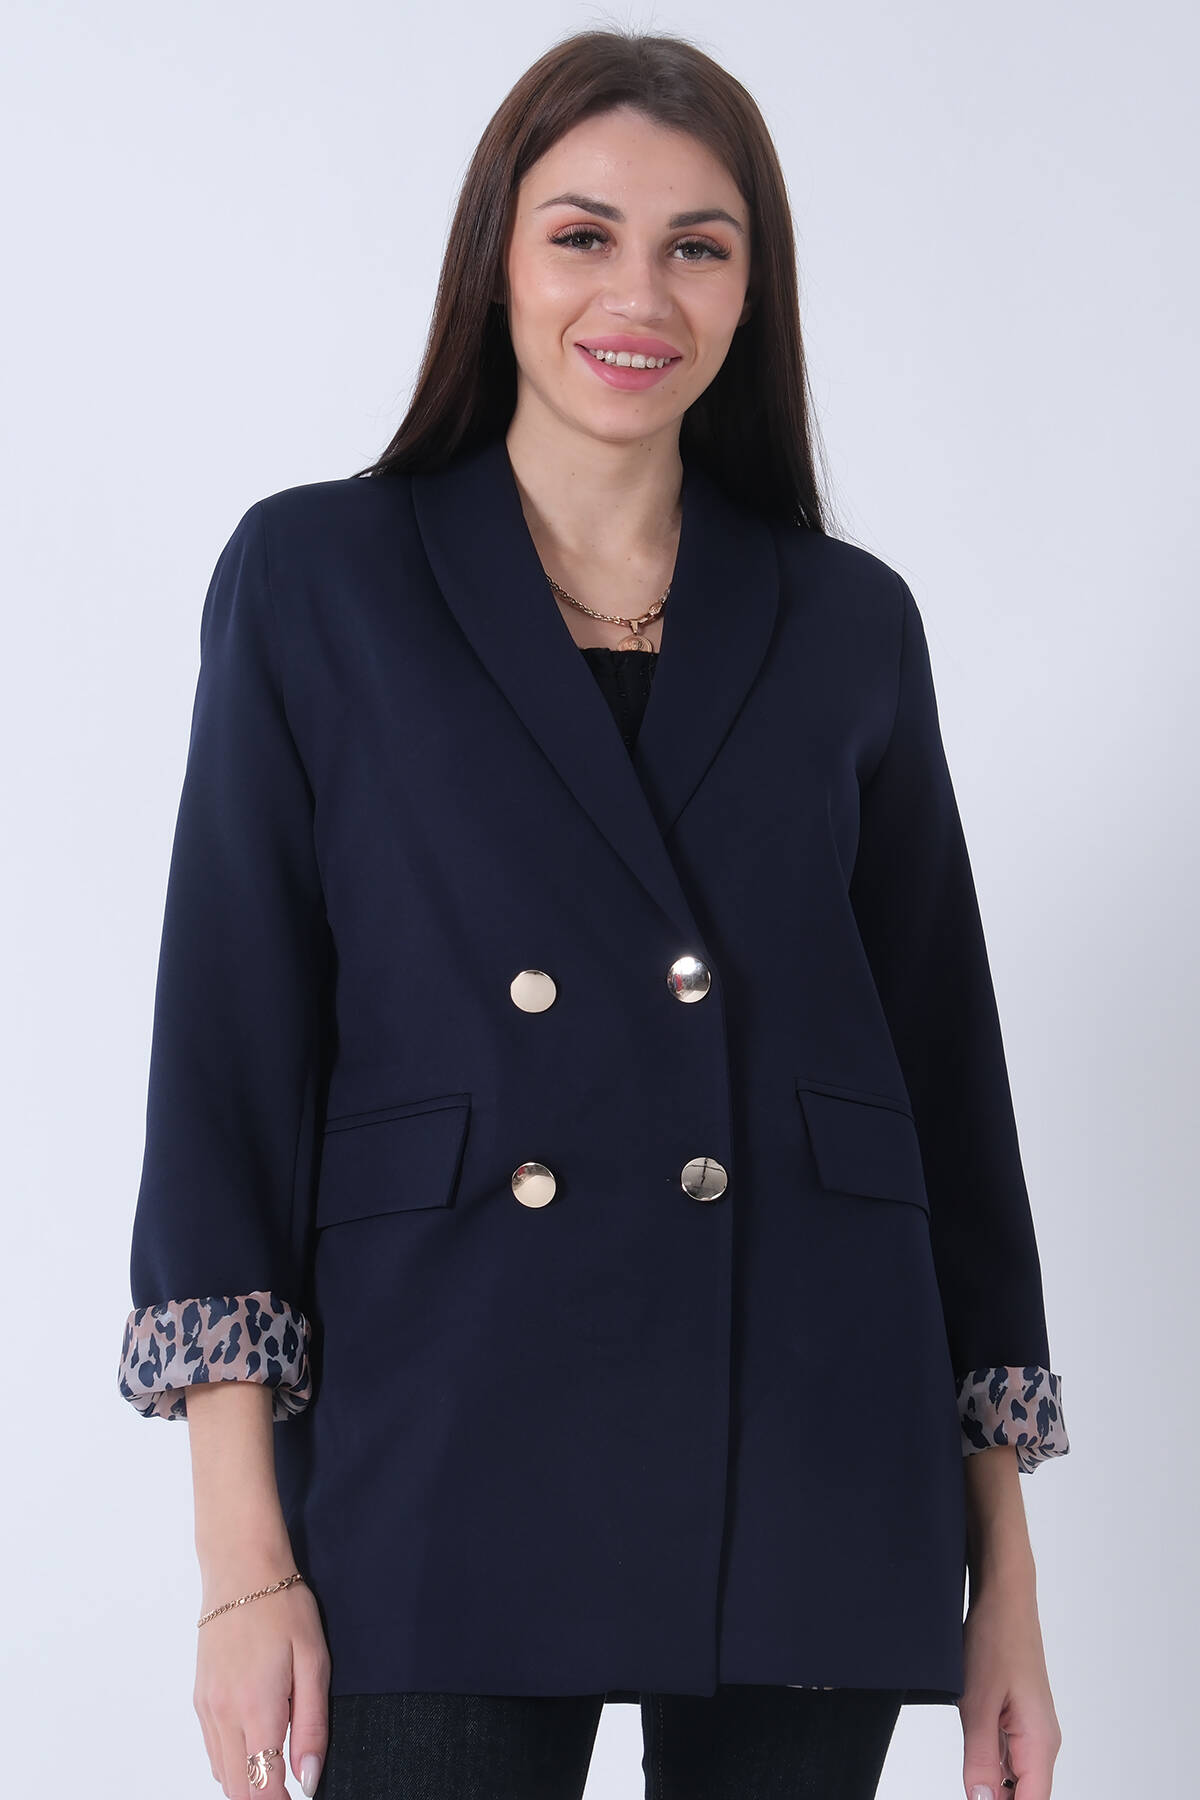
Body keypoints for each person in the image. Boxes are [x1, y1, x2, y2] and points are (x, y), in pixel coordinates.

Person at [116, 27, 1070, 1800]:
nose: (639, 295)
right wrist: (243, 1570)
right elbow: (227, 1074)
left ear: (752, 292)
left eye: (698, 245)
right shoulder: (320, 579)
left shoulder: (850, 621)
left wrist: (1001, 1583)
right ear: (498, 259)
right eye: (583, 235)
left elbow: (948, 1101)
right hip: (444, 1418)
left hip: (809, 1426)